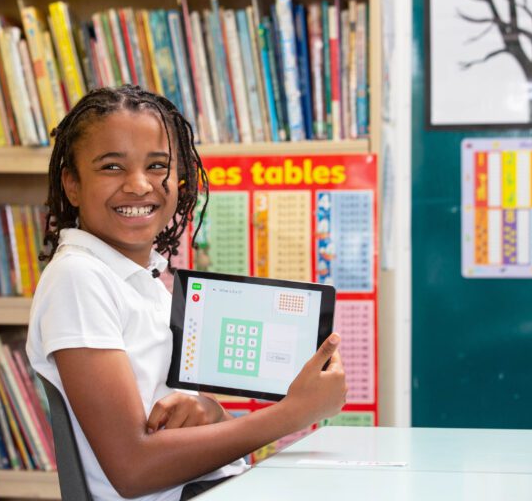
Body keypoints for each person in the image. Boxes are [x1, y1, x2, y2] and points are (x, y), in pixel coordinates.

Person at [26, 85, 347, 501]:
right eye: (111, 167)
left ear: (180, 180)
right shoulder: (78, 277)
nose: (139, 185)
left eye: (157, 166)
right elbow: (133, 469)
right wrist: (294, 413)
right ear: (72, 184)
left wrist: (208, 411)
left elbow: (197, 427)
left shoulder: (143, 280)